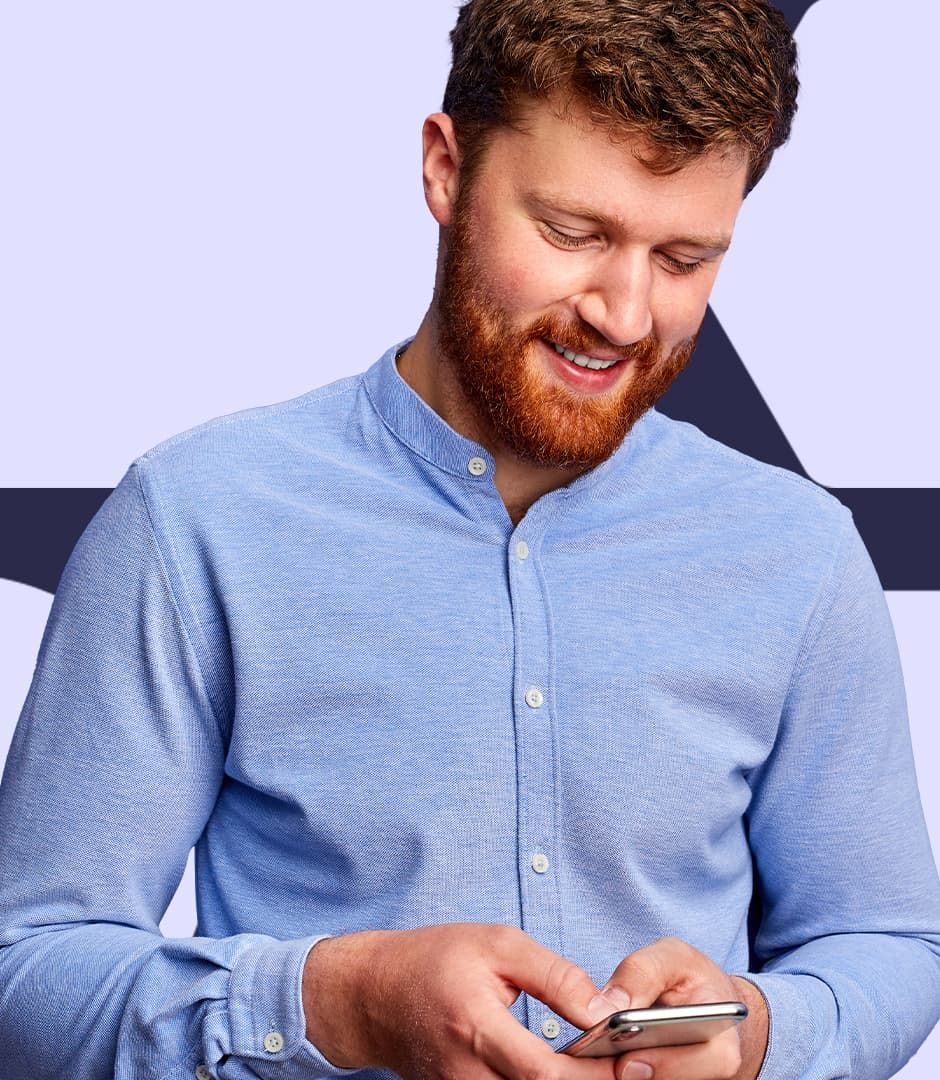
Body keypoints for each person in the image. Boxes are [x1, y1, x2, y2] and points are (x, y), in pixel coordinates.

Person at [1, 1, 938, 1078]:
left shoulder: (800, 553)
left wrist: (748, 1033)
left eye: (682, 257)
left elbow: (889, 944)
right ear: (446, 169)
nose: (625, 315)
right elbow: (26, 970)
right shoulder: (195, 520)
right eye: (572, 234)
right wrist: (334, 1004)